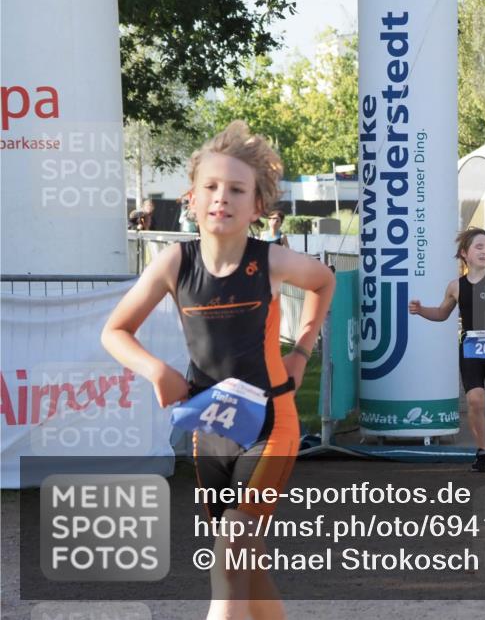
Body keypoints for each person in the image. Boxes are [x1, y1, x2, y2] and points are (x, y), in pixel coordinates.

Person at [101, 121, 335, 620]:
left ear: (257, 206)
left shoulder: (271, 261)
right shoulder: (172, 264)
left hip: (271, 424)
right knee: (244, 561)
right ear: (191, 198)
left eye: (236, 189)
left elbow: (324, 281)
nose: (221, 198)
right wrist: (157, 371)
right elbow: (114, 332)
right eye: (210, 187)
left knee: (232, 545)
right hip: (208, 428)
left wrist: (302, 352)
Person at [409, 228, 485, 473]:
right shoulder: (455, 287)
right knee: (474, 398)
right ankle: (482, 450)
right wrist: (421, 309)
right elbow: (441, 313)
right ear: (464, 253)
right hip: (469, 350)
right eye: (479, 247)